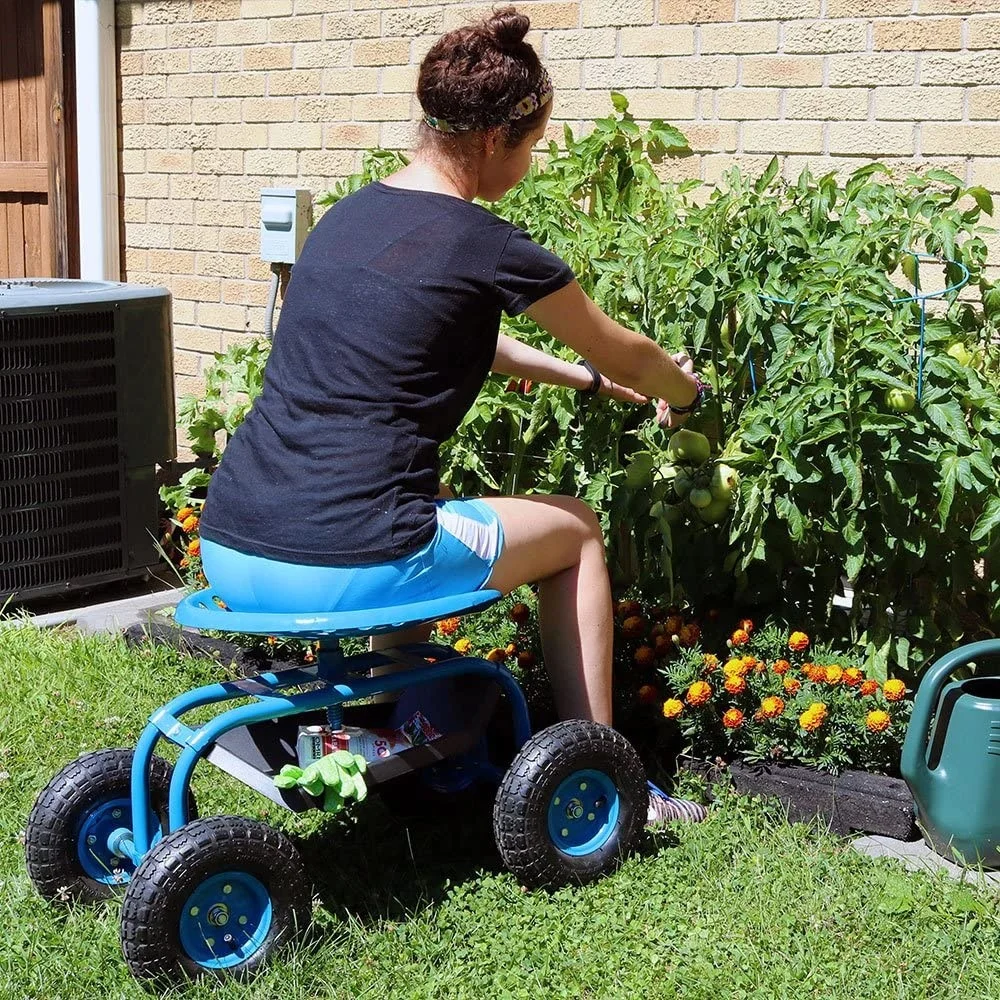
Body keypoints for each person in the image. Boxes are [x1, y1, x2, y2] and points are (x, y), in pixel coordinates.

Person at [198, 7, 707, 826]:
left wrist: (585, 383)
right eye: (532, 147)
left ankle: (407, 733)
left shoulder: (348, 218)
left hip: (232, 545)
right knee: (575, 530)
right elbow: (629, 350)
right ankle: (609, 775)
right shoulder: (484, 241)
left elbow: (459, 333)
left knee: (415, 508)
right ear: (495, 139)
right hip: (346, 561)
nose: (530, 165)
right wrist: (684, 396)